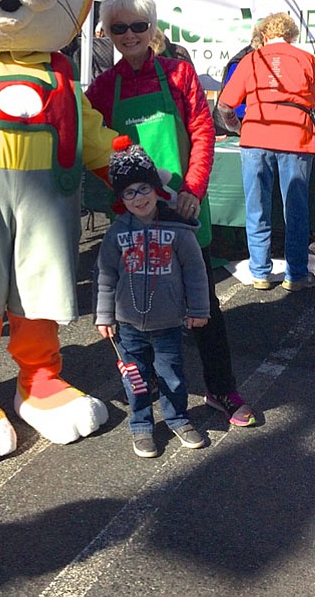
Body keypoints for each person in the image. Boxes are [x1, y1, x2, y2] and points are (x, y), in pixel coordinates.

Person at [86, 0, 256, 428]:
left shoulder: (178, 75)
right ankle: (148, 402)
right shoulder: (104, 88)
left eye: (138, 26)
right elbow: (93, 146)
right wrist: (122, 198)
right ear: (106, 33)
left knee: (205, 307)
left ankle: (220, 389)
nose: (129, 35)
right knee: (135, 308)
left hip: (183, 208)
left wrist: (193, 189)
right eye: (119, 28)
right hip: (131, 216)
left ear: (152, 29)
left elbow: (203, 131)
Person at [94, 136, 209, 458]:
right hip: (127, 325)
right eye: (129, 193)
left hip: (169, 322)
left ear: (155, 189)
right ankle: (141, 425)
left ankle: (178, 418)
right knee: (136, 379)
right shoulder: (117, 233)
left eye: (144, 188)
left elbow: (195, 272)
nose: (138, 197)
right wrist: (104, 316)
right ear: (121, 198)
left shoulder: (178, 229)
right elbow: (105, 276)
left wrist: (199, 308)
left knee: (172, 376)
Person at [218, 11, 315, 292]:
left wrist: (238, 127)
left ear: (264, 35)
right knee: (296, 210)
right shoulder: (306, 58)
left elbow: (224, 106)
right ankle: (296, 275)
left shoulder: (251, 59)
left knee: (257, 208)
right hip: (296, 137)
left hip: (256, 134)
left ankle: (260, 273)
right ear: (291, 35)